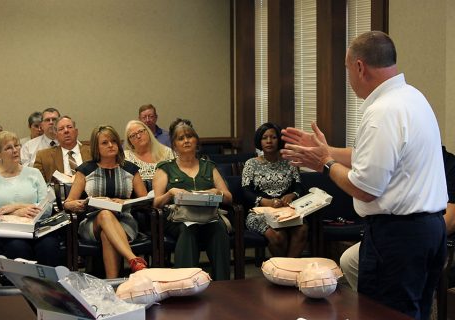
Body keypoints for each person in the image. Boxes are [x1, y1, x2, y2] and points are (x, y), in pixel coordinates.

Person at [280, 31, 446, 320]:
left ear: (359, 67)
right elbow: (375, 160)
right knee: (413, 313)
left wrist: (326, 164)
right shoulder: (412, 98)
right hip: (429, 231)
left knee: (383, 314)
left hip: (397, 236)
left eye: (347, 69)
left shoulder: (382, 111)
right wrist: (325, 149)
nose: (349, 77)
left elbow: (366, 187)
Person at [340, 145, 455, 291]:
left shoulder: (450, 167)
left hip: (432, 239)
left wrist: (410, 238)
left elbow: (450, 221)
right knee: (350, 260)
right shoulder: (409, 163)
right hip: (400, 231)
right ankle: (378, 308)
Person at [63, 125, 148, 278]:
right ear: (97, 147)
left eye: (114, 141)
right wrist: (78, 204)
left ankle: (112, 285)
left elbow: (146, 201)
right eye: (105, 143)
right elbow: (68, 203)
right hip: (91, 223)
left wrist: (124, 201)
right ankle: (133, 258)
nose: (111, 145)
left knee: (106, 235)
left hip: (125, 221)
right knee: (105, 214)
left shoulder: (130, 169)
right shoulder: (86, 170)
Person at [152, 118, 232, 281]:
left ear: (197, 141)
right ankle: (185, 282)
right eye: (181, 138)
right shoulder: (165, 168)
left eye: (189, 136)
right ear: (174, 145)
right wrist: (170, 193)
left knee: (219, 229)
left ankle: (223, 284)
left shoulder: (208, 166)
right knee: (188, 230)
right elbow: (156, 203)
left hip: (208, 216)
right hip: (178, 219)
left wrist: (216, 191)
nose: (186, 140)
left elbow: (229, 198)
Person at [0, 131, 61, 266]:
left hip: (37, 227)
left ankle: (48, 286)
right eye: (8, 148)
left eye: (17, 146)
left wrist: (15, 207)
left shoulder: (33, 173)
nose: (15, 150)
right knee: (18, 248)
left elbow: (46, 207)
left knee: (49, 246)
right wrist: (14, 214)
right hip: (8, 231)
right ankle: (25, 287)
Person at [242, 122, 307, 258]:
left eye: (273, 137)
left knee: (302, 229)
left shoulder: (289, 162)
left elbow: (299, 186)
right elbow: (246, 192)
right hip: (260, 213)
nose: (269, 141)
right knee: (278, 236)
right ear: (259, 141)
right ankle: (286, 271)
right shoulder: (251, 164)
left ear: (279, 140)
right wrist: (265, 202)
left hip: (287, 211)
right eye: (265, 138)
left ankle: (286, 271)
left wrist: (292, 195)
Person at [34, 116, 91, 183]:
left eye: (69, 127)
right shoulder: (43, 156)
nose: (66, 131)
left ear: (76, 132)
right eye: (61, 129)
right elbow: (37, 184)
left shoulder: (92, 152)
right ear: (56, 135)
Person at [124, 120, 174, 189]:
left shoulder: (167, 152)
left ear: (148, 132)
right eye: (133, 135)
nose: (138, 136)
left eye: (141, 131)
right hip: (138, 197)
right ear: (129, 141)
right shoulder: (126, 157)